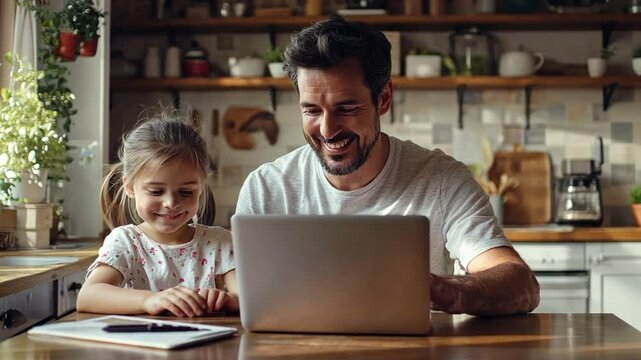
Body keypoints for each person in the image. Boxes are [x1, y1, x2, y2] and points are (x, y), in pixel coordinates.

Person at [235, 16, 539, 316]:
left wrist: (447, 290)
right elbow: (241, 294)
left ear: (384, 99)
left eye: (347, 108)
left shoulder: (442, 179)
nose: (328, 130)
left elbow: (521, 285)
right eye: (312, 110)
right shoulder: (266, 187)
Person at [77, 110, 238, 317]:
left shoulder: (219, 242)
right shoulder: (126, 242)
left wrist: (231, 300)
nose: (171, 203)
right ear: (130, 187)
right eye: (156, 191)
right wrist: (149, 300)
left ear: (201, 187)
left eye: (186, 192)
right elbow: (88, 295)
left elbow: (250, 298)